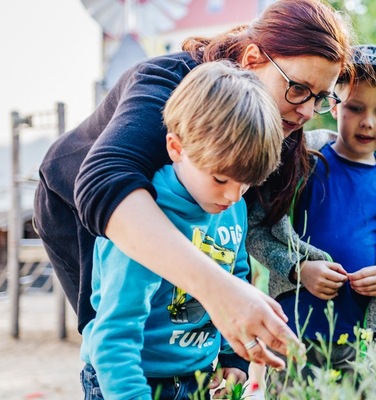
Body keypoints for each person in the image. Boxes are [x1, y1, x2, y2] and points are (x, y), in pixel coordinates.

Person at [34, 0, 354, 367]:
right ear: (252, 59)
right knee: (127, 341)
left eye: (320, 98)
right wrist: (218, 290)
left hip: (171, 214)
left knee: (181, 341)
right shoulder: (168, 82)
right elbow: (104, 183)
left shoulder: (278, 125)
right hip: (81, 208)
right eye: (297, 88)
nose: (308, 111)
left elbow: (231, 239)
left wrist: (230, 358)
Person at [79, 61, 283, 400]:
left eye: (246, 183)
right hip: (129, 380)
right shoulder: (146, 219)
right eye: (220, 179)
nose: (233, 196)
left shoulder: (232, 208)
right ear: (177, 148)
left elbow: (237, 275)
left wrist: (234, 357)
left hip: (196, 378)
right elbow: (113, 337)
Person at [251, 44, 376, 375]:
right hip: (295, 332)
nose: (367, 123)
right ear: (334, 105)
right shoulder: (302, 157)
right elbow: (257, 230)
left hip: (363, 343)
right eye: (355, 108)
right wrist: (298, 269)